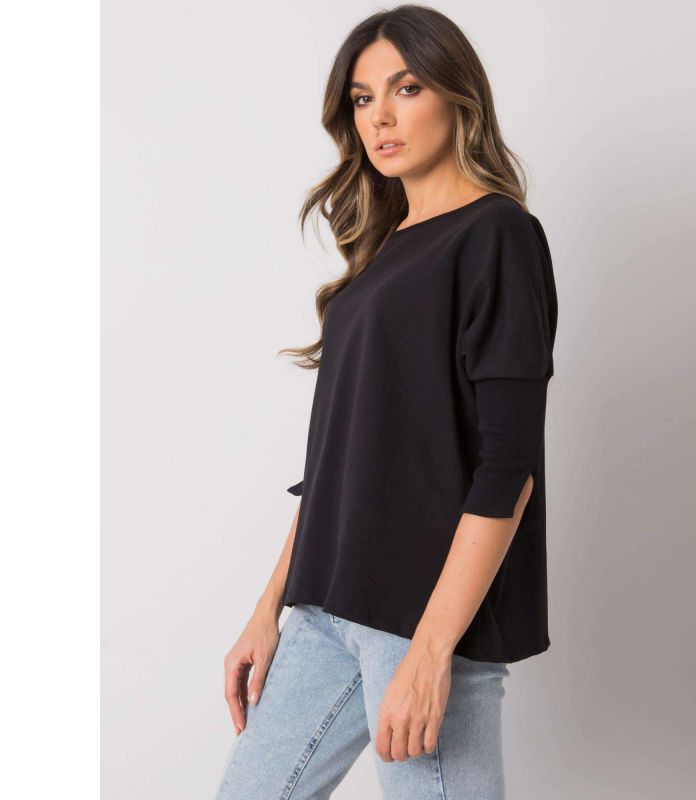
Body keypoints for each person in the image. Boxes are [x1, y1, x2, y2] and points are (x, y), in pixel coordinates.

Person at [215, 5, 558, 799]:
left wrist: (432, 651)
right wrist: (269, 607)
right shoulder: (383, 251)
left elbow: (508, 466)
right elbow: (338, 459)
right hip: (326, 608)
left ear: (457, 94)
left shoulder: (497, 235)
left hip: (423, 619)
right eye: (363, 99)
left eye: (405, 88)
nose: (380, 117)